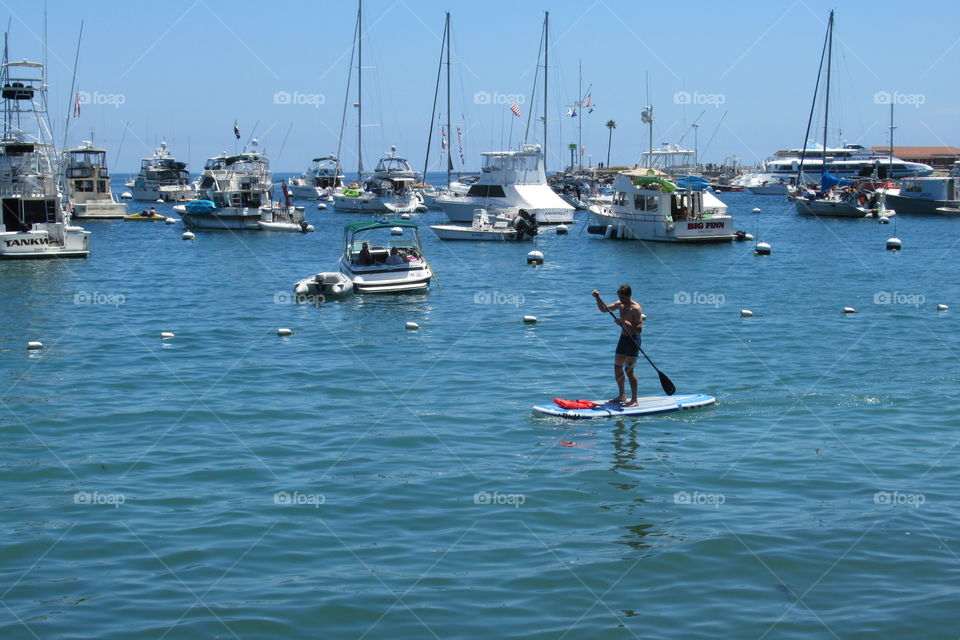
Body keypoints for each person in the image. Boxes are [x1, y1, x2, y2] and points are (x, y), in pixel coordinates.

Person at [592, 285, 644, 407]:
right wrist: (597, 298)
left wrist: (625, 322)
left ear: (628, 296)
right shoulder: (619, 304)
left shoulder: (636, 309)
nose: (620, 299)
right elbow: (604, 309)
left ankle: (635, 400)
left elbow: (639, 330)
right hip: (623, 339)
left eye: (622, 297)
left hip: (633, 340)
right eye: (619, 297)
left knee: (629, 370)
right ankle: (622, 395)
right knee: (617, 367)